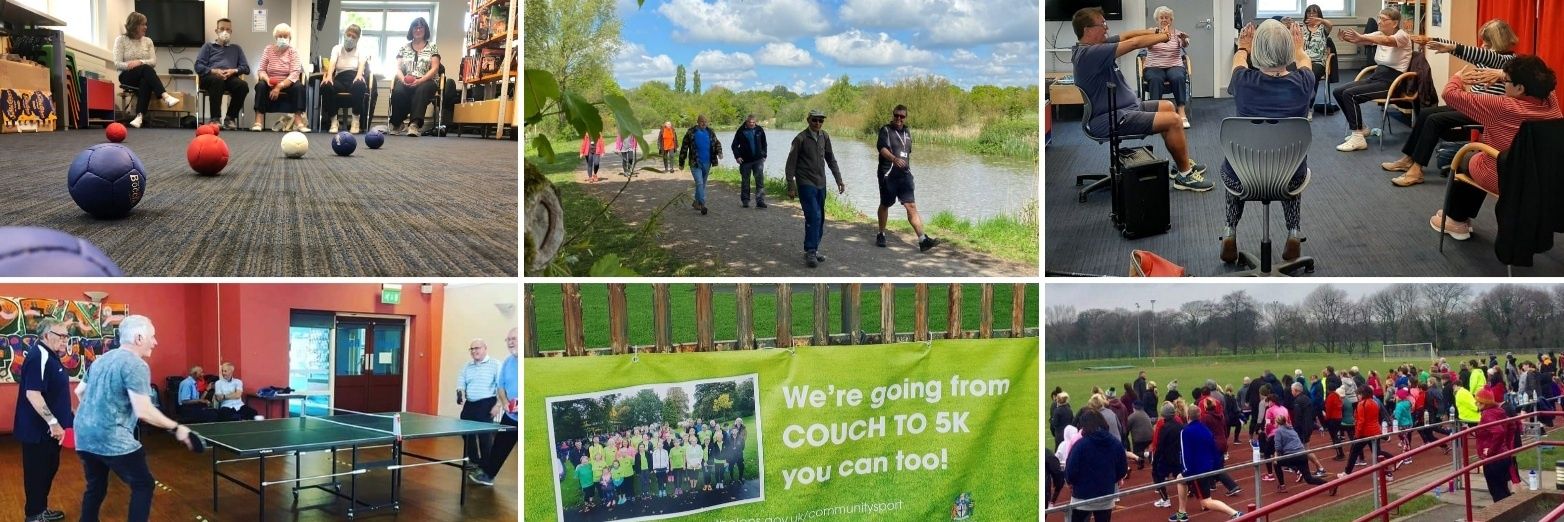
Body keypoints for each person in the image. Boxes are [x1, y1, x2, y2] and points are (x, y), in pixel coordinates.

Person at [1070, 7, 1211, 191]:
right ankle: (1185, 176)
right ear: (1087, 30)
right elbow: (1135, 43)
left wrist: (1155, 31)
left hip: (1127, 108)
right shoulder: (1090, 54)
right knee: (1174, 120)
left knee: (1168, 106)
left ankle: (1180, 163)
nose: (1107, 28)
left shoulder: (1095, 47)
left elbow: (1128, 35)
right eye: (1103, 24)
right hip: (1111, 117)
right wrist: (1165, 36)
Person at [74, 315, 197, 522]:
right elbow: (144, 411)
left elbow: (79, 392)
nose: (155, 342)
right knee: (143, 484)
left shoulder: (101, 359)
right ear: (139, 338)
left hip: (84, 437)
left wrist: (93, 416)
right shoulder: (136, 364)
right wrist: (178, 428)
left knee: (95, 487)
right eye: (153, 336)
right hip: (112, 437)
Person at [1427, 55, 1561, 240]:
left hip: (1506, 178)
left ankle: (1456, 221)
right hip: (1542, 179)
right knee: (1480, 157)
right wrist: (1501, 75)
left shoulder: (1501, 106)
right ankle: (1458, 216)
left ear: (1520, 88)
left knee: (1467, 156)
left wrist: (1458, 77)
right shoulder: (1551, 102)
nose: (1503, 83)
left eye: (1506, 81)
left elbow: (1450, 95)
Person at [1220, 19, 1317, 264]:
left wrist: (1243, 47)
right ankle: (1293, 232)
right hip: (1288, 177)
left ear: (1257, 51)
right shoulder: (1304, 83)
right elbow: (1305, 63)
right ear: (1288, 51)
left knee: (1232, 165)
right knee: (1291, 164)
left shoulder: (1242, 82)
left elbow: (1238, 62)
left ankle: (1230, 231)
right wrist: (1298, 48)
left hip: (1242, 177)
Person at [1386, 19, 1519, 186]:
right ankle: (1408, 158)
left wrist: (1453, 47)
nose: (1483, 45)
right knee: (1427, 113)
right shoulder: (1490, 56)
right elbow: (1467, 51)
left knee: (1434, 120)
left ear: (1497, 41)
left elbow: (1473, 52)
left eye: (1487, 41)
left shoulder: (1508, 61)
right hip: (1473, 105)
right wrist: (1435, 41)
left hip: (1486, 111)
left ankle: (1416, 170)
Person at [1332, 8, 1414, 152]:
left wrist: (1365, 38)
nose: (1379, 21)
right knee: (1339, 91)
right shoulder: (1379, 34)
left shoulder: (1403, 36)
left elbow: (1387, 41)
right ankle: (1361, 128)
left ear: (1395, 23)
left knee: (1349, 94)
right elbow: (1361, 39)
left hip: (1393, 82)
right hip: (1377, 77)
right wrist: (1348, 38)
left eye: (1383, 19)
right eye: (1379, 18)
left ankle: (1357, 137)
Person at [16, 319, 73, 522]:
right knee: (37, 475)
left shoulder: (51, 356)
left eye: (67, 336)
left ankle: (40, 509)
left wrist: (69, 412)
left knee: (47, 471)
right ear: (47, 335)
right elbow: (33, 394)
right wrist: (53, 423)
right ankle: (33, 515)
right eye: (61, 336)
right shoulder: (38, 356)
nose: (65, 340)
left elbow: (53, 394)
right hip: (39, 432)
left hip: (50, 433)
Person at [784, 109, 846, 268]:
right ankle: (811, 251)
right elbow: (790, 163)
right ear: (808, 120)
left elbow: (831, 159)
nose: (818, 123)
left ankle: (813, 248)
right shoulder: (800, 139)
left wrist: (839, 179)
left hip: (821, 183)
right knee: (814, 216)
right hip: (805, 183)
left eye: (820, 120)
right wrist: (791, 185)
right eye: (815, 120)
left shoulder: (824, 136)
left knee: (820, 218)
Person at [874, 104, 938, 251]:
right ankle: (881, 234)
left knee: (911, 206)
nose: (899, 119)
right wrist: (893, 159)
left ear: (905, 117)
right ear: (893, 115)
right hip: (888, 174)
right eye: (896, 115)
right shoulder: (886, 130)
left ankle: (922, 240)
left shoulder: (907, 132)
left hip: (904, 176)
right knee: (885, 204)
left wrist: (908, 171)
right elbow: (882, 148)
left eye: (902, 116)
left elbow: (907, 153)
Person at [1173, 405, 1243, 520]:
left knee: (1206, 502)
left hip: (1195, 471)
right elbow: (1213, 449)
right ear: (1200, 416)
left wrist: (1186, 471)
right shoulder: (1206, 430)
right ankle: (1182, 512)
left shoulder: (1185, 431)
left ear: (1188, 416)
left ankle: (1235, 514)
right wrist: (1215, 468)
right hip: (1207, 468)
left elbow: (1185, 453)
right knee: (1180, 479)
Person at [114, 12, 183, 129]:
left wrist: (140, 62)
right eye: (142, 24)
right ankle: (165, 96)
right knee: (146, 68)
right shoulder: (121, 40)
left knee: (145, 80)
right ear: (134, 25)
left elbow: (153, 62)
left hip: (144, 75)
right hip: (126, 75)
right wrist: (134, 65)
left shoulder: (148, 41)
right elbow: (117, 63)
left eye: (146, 24)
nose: (146, 27)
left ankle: (139, 117)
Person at [472, 327, 518, 487]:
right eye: (508, 339)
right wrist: (504, 402)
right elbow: (500, 387)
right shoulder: (507, 362)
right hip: (511, 416)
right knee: (499, 447)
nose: (511, 342)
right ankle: (488, 475)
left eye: (514, 338)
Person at [1064, 410, 1128, 522]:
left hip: (1082, 497)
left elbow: (1070, 471)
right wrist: (1112, 479)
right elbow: (1122, 469)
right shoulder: (1115, 443)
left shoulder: (1080, 446)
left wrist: (1071, 482)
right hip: (1105, 495)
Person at [389, 17, 442, 136]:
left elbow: (435, 68)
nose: (418, 30)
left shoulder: (432, 47)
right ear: (411, 30)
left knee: (421, 89)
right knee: (398, 91)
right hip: (407, 79)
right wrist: (403, 80)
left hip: (427, 80)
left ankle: (414, 124)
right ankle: (397, 123)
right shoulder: (403, 48)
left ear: (425, 30)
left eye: (421, 27)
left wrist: (420, 81)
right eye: (415, 27)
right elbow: (398, 68)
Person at [193, 17, 248, 130]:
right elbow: (198, 66)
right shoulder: (208, 46)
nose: (225, 32)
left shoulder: (236, 49)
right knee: (217, 80)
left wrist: (233, 70)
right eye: (222, 29)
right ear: (216, 31)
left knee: (243, 86)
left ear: (231, 32)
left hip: (230, 77)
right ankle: (215, 118)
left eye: (228, 29)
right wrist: (214, 71)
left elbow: (246, 68)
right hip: (210, 77)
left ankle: (230, 118)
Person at [251, 23, 308, 132]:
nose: (282, 38)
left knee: (299, 87)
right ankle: (258, 120)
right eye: (280, 36)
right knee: (260, 85)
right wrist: (267, 79)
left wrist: (279, 87)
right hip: (271, 82)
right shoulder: (268, 49)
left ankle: (298, 120)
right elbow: (261, 70)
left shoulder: (293, 51)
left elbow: (295, 73)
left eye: (285, 36)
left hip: (287, 83)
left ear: (290, 38)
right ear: (275, 38)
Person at [457, 338, 501, 471]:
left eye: (477, 348)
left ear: (485, 348)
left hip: (487, 403)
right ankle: (474, 459)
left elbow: (501, 386)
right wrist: (459, 393)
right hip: (470, 404)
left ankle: (486, 464)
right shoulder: (466, 366)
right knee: (466, 432)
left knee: (484, 435)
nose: (474, 351)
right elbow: (461, 382)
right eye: (472, 349)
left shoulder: (495, 364)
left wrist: (498, 405)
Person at [1144, 6, 1192, 127]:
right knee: (1155, 79)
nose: (1164, 20)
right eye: (1161, 17)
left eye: (1167, 17)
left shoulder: (1177, 33)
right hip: (1154, 66)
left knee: (1177, 77)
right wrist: (1159, 36)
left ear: (1171, 20)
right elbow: (1148, 46)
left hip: (1174, 65)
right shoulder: (1151, 32)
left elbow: (1185, 45)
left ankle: (1181, 111)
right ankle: (1157, 114)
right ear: (1157, 20)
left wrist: (1184, 40)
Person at [321, 24, 371, 134]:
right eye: (349, 35)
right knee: (326, 86)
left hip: (354, 77)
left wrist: (359, 75)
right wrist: (329, 76)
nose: (350, 38)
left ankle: (355, 121)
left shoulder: (361, 50)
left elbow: (362, 64)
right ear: (344, 35)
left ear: (357, 39)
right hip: (340, 79)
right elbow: (333, 63)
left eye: (354, 37)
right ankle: (334, 121)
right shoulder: (337, 48)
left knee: (360, 84)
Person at [1476, 388, 1517, 502]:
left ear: (1484, 403)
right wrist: (1507, 445)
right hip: (1503, 455)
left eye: (1477, 402)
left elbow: (1499, 432)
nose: (1476, 404)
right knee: (1503, 489)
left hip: (1493, 459)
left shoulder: (1487, 414)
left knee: (1497, 492)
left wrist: (1490, 451)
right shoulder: (1500, 411)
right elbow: (1512, 426)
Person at [679, 114, 723, 215]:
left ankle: (696, 202)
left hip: (707, 162)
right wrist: (681, 162)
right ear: (698, 122)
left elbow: (717, 143)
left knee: (702, 185)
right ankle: (703, 204)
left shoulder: (710, 132)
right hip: (695, 162)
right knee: (699, 183)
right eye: (702, 121)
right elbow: (684, 147)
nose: (704, 123)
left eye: (706, 121)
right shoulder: (691, 132)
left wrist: (719, 152)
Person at [1272, 415, 1326, 493]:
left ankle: (1282, 486)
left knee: (1276, 463)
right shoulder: (1291, 429)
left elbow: (1278, 448)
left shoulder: (1278, 431)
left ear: (1277, 422)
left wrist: (1277, 455)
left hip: (1293, 456)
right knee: (1309, 479)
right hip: (1302, 454)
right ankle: (1328, 485)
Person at [731, 114, 769, 208]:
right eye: (750, 122)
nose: (752, 124)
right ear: (746, 122)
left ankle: (760, 201)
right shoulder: (741, 131)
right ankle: (745, 200)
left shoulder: (759, 130)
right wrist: (737, 157)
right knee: (745, 181)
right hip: (745, 161)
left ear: (755, 122)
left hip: (758, 160)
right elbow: (734, 145)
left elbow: (764, 143)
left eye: (753, 122)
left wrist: (764, 155)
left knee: (759, 181)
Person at [1300, 4, 1335, 81]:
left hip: (1318, 62)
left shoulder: (1322, 28)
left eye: (1314, 13)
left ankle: (1311, 92)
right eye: (1309, 13)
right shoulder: (1301, 28)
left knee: (1310, 74)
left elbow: (1330, 25)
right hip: (1302, 60)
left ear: (1319, 14)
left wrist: (1321, 20)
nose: (1311, 15)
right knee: (1292, 72)